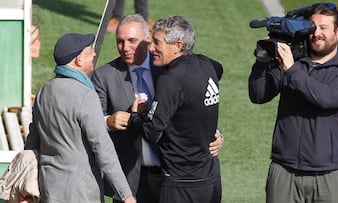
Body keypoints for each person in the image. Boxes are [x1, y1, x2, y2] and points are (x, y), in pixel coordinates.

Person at [91, 14, 223, 203]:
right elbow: (90, 123)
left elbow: (196, 99)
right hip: (132, 181)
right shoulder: (104, 76)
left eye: (132, 41)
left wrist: (214, 133)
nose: (125, 47)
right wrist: (108, 121)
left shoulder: (169, 68)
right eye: (120, 41)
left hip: (173, 177)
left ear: (147, 39)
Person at [248, 2, 338, 203]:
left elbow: (325, 98)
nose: (317, 34)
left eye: (324, 28)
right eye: (313, 27)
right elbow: (258, 95)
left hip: (327, 176)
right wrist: (262, 65)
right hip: (284, 171)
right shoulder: (293, 62)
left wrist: (291, 70)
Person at [24, 33, 136, 203]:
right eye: (90, 50)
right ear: (78, 60)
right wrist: (126, 195)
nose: (94, 53)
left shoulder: (44, 91)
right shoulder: (86, 95)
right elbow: (103, 149)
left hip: (48, 188)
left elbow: (32, 142)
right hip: (81, 193)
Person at [130, 15, 223, 203]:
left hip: (181, 185)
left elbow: (152, 132)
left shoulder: (170, 80)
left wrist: (135, 117)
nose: (151, 49)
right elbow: (219, 71)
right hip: (211, 180)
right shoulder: (208, 65)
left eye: (157, 43)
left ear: (178, 45)